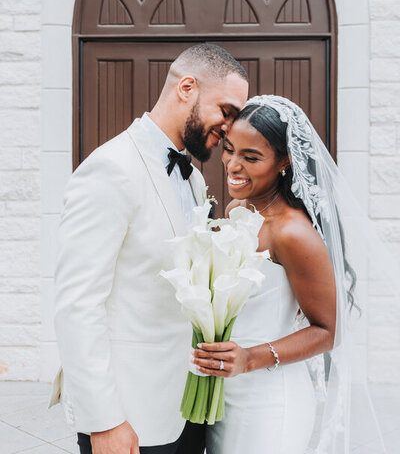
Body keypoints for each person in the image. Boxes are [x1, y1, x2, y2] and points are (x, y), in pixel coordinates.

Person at [48, 43, 249, 454]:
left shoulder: (192, 177)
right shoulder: (111, 168)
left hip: (188, 409)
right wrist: (105, 422)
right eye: (226, 111)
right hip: (129, 417)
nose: (229, 128)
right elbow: (77, 304)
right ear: (187, 87)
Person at [192, 95, 390, 454]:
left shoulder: (292, 233)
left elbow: (330, 330)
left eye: (251, 158)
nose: (233, 165)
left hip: (269, 402)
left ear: (284, 161)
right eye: (229, 150)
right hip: (225, 394)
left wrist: (251, 358)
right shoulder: (239, 209)